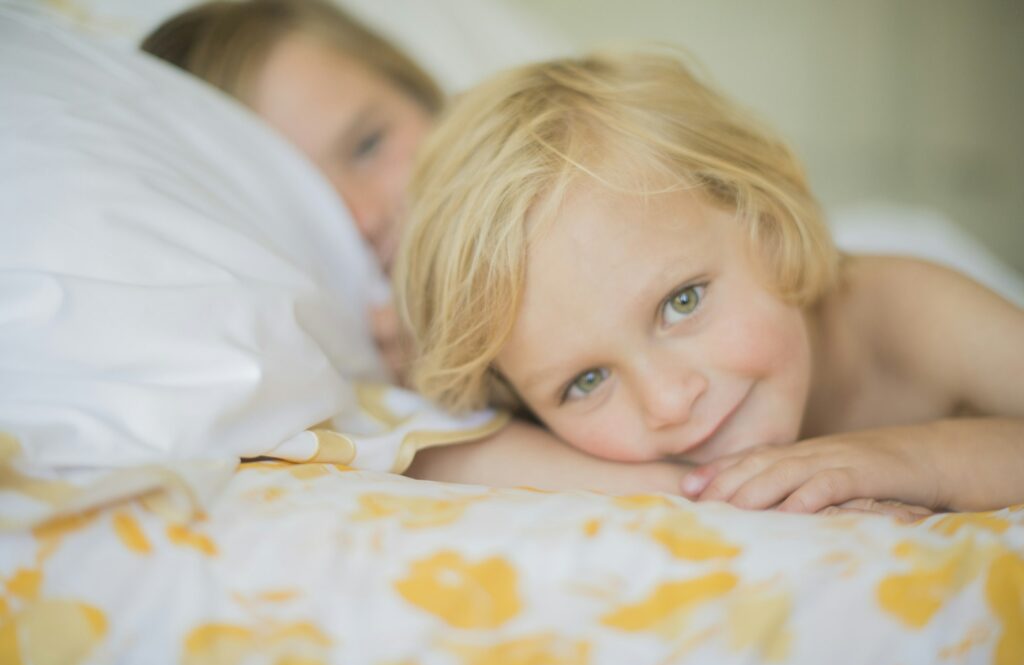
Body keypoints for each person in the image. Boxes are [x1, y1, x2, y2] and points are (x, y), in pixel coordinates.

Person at [394, 51, 1024, 514]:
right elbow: (438, 457)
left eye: (681, 302)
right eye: (586, 382)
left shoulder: (911, 315)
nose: (668, 402)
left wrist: (919, 461)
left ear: (768, 225)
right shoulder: (607, 434)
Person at [140, 0, 721, 500]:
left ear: (433, 99)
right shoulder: (344, 403)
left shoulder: (600, 191)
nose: (363, 217)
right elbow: (703, 486)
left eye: (368, 145)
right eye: (306, 205)